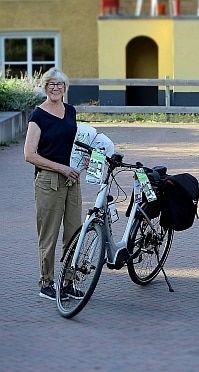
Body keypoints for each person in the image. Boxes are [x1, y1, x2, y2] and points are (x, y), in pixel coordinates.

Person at [23, 67, 84, 301]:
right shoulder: (38, 115)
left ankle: (68, 282)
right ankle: (46, 282)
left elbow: (74, 144)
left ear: (65, 88)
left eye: (59, 84)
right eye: (51, 84)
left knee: (74, 233)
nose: (55, 88)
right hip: (49, 181)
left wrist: (83, 158)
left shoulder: (70, 111)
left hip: (72, 180)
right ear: (45, 87)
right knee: (48, 235)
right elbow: (29, 154)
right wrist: (60, 168)